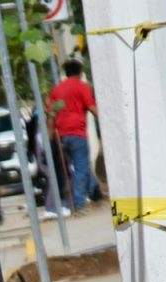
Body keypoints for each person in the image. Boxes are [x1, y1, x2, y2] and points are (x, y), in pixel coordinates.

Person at [46, 58, 99, 213]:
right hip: (77, 132)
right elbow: (91, 107)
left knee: (81, 165)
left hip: (62, 134)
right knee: (81, 167)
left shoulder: (56, 90)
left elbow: (51, 114)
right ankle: (79, 203)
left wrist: (50, 134)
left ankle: (95, 193)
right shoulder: (82, 87)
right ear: (80, 72)